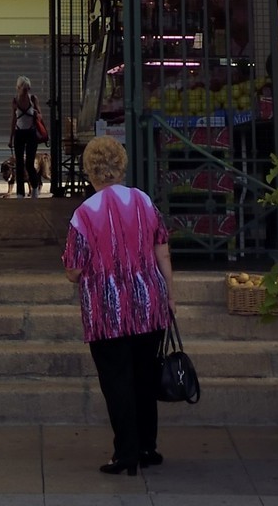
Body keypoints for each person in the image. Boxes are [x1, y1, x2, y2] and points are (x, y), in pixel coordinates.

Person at [62, 134, 175, 479]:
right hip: (148, 304)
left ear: (90, 170)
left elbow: (74, 269)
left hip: (107, 312)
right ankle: (147, 446)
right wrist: (170, 296)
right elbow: (163, 251)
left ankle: (125, 452)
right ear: (121, 165)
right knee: (145, 376)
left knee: (117, 381)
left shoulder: (84, 214)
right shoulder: (143, 200)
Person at [11, 77, 47, 198]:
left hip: (31, 134)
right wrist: (10, 138)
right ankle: (20, 193)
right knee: (19, 164)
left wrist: (37, 114)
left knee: (30, 164)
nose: (25, 91)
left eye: (27, 89)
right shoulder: (15, 101)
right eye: (23, 89)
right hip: (19, 134)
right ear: (18, 88)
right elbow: (13, 119)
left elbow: (40, 116)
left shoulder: (33, 99)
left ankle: (35, 188)